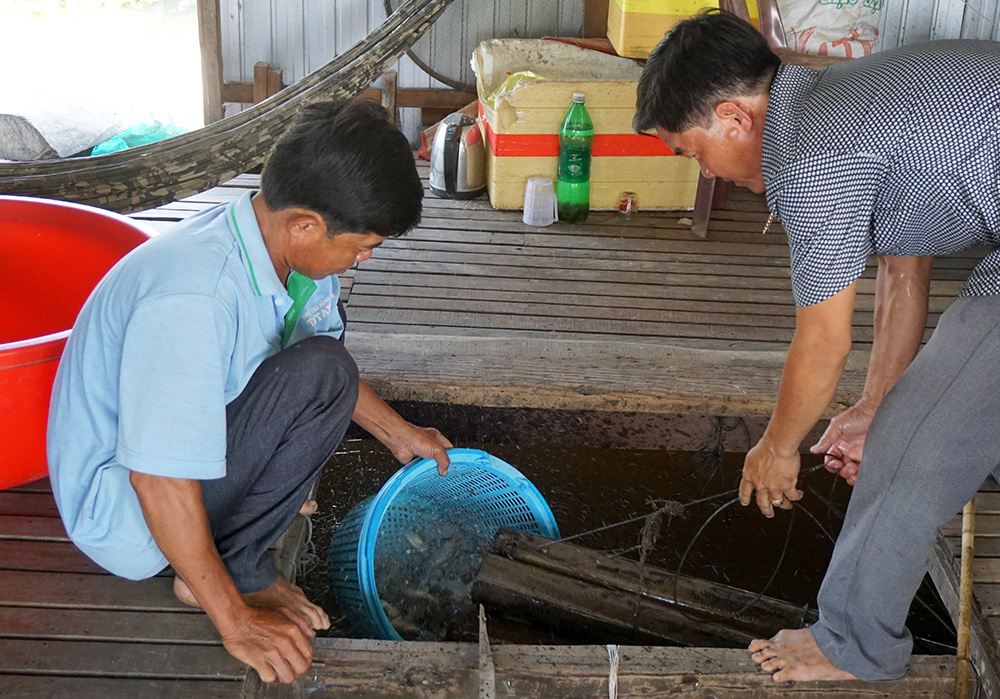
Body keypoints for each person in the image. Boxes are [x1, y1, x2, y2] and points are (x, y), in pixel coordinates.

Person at [635, 8, 1000, 685]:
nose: (705, 171)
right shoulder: (844, 102)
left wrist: (777, 449)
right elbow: (902, 267)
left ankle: (850, 641)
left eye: (692, 151)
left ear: (736, 119)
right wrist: (873, 404)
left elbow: (824, 341)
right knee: (931, 415)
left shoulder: (811, 154)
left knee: (913, 445)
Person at [47, 99, 453, 685]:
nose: (363, 258)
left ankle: (231, 555)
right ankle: (225, 572)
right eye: (363, 245)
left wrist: (399, 433)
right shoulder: (194, 298)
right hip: (127, 516)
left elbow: (311, 370)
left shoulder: (282, 248)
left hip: (177, 457)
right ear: (305, 224)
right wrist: (236, 622)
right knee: (324, 370)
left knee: (326, 370)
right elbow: (156, 479)